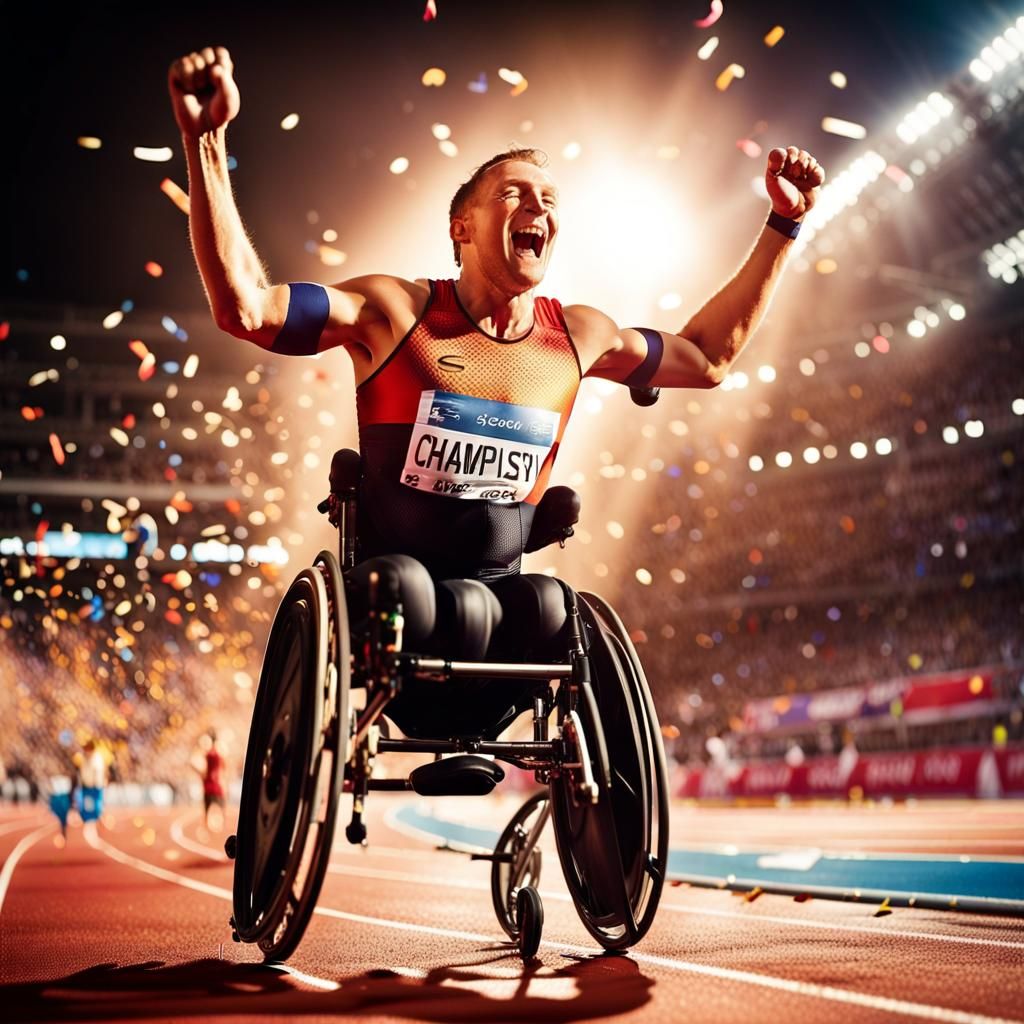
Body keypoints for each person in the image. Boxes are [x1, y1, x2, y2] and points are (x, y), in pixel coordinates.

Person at [168, 47, 823, 714]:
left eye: (548, 199)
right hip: (396, 607)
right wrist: (205, 141)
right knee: (412, 593)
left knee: (550, 603)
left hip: (506, 619)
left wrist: (784, 225)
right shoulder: (396, 311)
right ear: (462, 227)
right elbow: (247, 308)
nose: (537, 205)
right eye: (514, 193)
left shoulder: (577, 334)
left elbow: (708, 358)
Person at [193, 730, 226, 830]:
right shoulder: (219, 754)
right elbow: (223, 768)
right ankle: (219, 824)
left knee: (207, 808)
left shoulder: (208, 755)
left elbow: (204, 771)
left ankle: (207, 826)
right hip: (217, 785)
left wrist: (198, 772)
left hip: (209, 785)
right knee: (221, 806)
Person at [76, 739, 107, 825]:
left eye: (87, 749)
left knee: (96, 803)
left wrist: (96, 783)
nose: (85, 751)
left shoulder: (97, 759)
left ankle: (96, 818)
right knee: (85, 803)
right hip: (86, 785)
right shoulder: (84, 758)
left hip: (95, 786)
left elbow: (98, 772)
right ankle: (87, 818)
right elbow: (82, 772)